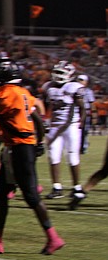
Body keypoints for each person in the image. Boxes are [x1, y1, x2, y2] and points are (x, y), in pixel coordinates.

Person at [0, 58, 64, 255]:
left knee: (31, 196)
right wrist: (40, 142)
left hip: (19, 148)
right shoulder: (23, 92)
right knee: (1, 194)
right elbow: (36, 119)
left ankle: (53, 238)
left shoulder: (4, 93)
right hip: (20, 146)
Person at [42, 61, 86, 200]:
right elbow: (44, 105)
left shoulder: (74, 87)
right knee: (53, 156)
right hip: (55, 126)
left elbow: (82, 108)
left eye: (61, 73)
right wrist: (45, 121)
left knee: (72, 157)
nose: (58, 75)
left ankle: (76, 187)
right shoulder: (48, 86)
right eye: (57, 72)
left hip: (71, 126)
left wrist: (81, 122)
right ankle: (57, 187)